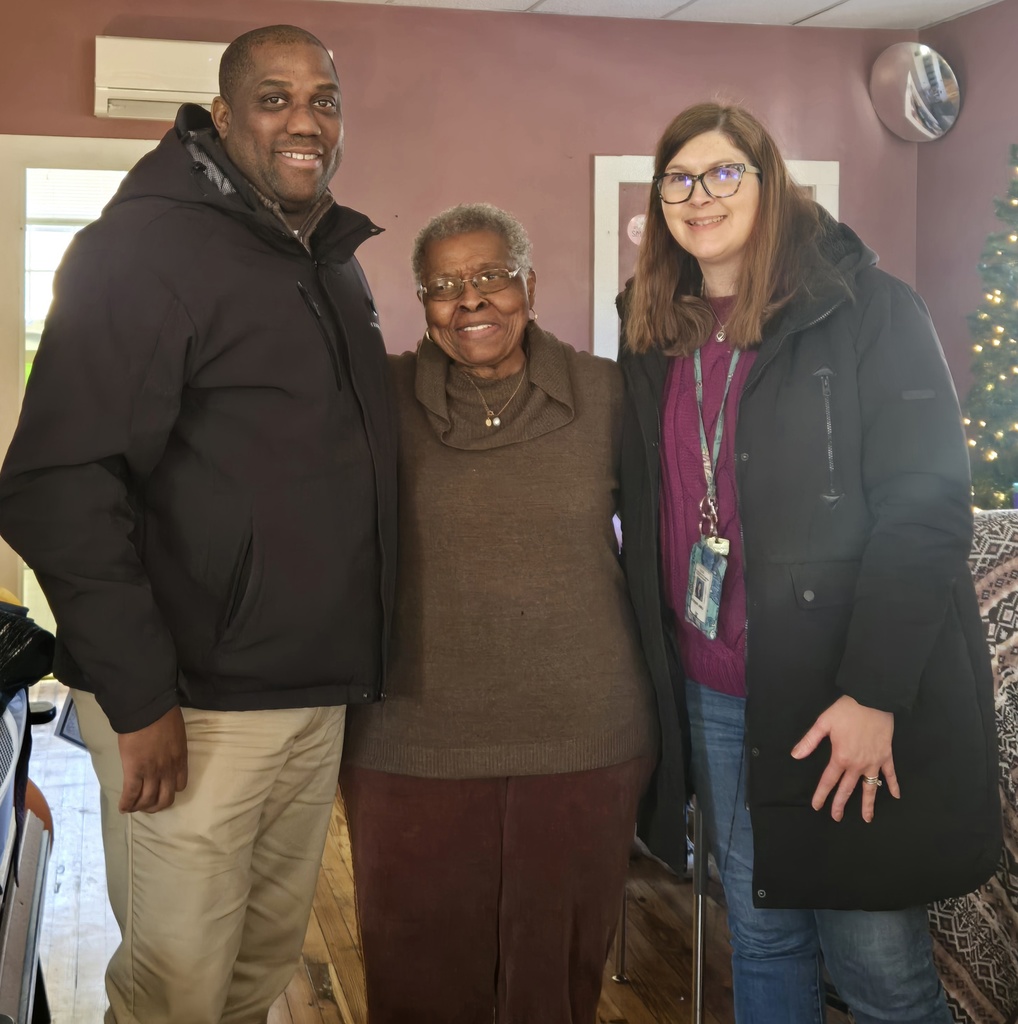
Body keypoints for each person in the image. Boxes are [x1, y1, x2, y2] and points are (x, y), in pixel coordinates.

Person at [0, 24, 396, 1024]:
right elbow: (54, 481)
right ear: (220, 117)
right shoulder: (144, 250)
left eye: (324, 98)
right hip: (192, 708)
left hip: (308, 692)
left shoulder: (325, 260)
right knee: (174, 994)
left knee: (256, 975)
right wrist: (139, 699)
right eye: (274, 97)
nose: (306, 119)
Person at [617, 102, 1001, 1023]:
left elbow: (929, 511)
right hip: (715, 690)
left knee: (876, 967)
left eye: (723, 174)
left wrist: (874, 694)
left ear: (770, 182)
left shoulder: (870, 311)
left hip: (836, 691)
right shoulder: (653, 327)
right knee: (763, 935)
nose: (698, 196)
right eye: (678, 178)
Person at [341, 202, 656, 1023]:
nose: (470, 300)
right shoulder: (382, 396)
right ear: (421, 302)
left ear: (529, 283)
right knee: (415, 979)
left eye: (490, 276)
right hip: (411, 740)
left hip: (582, 737)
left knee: (553, 987)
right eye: (444, 285)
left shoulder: (608, 392)